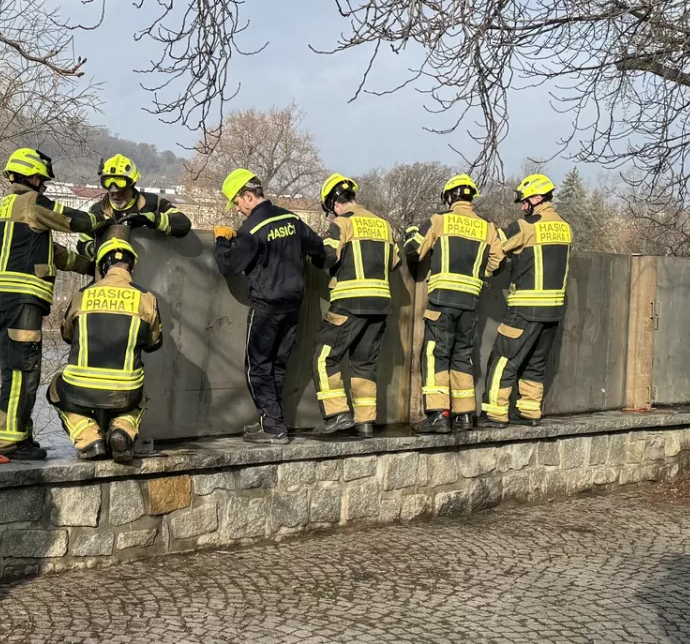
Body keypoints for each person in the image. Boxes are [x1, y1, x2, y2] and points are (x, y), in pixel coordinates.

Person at [0, 147, 96, 460]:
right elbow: (72, 219)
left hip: (1, 302)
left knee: (15, 370)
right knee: (23, 371)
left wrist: (93, 266)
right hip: (21, 300)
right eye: (41, 179)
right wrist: (100, 219)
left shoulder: (10, 207)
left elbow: (55, 254)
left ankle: (20, 435)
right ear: (31, 176)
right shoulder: (32, 202)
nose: (43, 185)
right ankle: (10, 443)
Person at [213, 167, 327, 444]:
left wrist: (221, 240)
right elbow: (318, 250)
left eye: (238, 202)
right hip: (293, 305)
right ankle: (273, 421)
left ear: (248, 195)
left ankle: (273, 427)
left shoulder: (251, 229)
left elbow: (229, 266)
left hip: (267, 306)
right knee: (277, 364)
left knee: (258, 366)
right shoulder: (291, 218)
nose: (238, 209)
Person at [403, 175, 504, 433]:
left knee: (435, 354)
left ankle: (438, 415)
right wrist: (479, 276)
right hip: (470, 303)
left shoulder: (440, 221)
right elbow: (498, 263)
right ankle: (465, 415)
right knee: (462, 357)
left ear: (449, 198)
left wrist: (411, 233)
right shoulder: (487, 227)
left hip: (442, 301)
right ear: (471, 198)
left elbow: (415, 251)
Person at [49, 236, 164, 462]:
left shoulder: (82, 295)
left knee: (55, 389)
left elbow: (66, 335)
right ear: (131, 267)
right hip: (125, 391)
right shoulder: (146, 298)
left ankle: (89, 438)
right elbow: (154, 343)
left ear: (103, 265)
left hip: (79, 388)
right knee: (139, 396)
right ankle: (122, 430)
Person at [481, 173, 572, 427]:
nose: (523, 207)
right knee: (535, 363)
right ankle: (530, 411)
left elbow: (497, 246)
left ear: (538, 197)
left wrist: (490, 270)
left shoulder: (526, 226)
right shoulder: (565, 227)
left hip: (525, 308)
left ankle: (495, 413)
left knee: (503, 359)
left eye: (525, 201)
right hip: (553, 312)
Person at [312, 173, 398, 437]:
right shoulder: (384, 225)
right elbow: (396, 263)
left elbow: (325, 257)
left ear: (334, 203)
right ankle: (365, 422)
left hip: (349, 303)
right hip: (381, 306)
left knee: (324, 358)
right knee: (364, 364)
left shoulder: (341, 224)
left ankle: (337, 415)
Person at [89, 153, 192, 238]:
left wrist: (149, 219)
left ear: (132, 184)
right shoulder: (97, 210)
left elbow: (183, 223)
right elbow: (84, 244)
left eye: (121, 188)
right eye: (109, 187)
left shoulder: (153, 203)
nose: (115, 194)